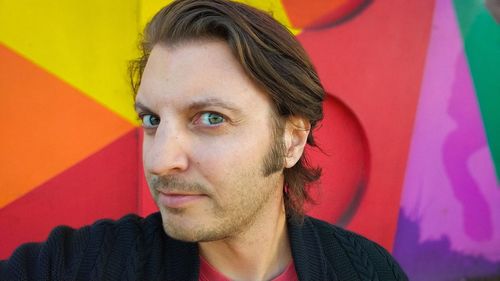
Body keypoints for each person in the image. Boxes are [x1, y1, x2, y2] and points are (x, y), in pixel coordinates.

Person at [0, 0, 408, 280]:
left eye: (210, 118)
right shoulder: (88, 264)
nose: (160, 161)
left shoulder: (365, 269)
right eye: (152, 119)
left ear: (291, 140)